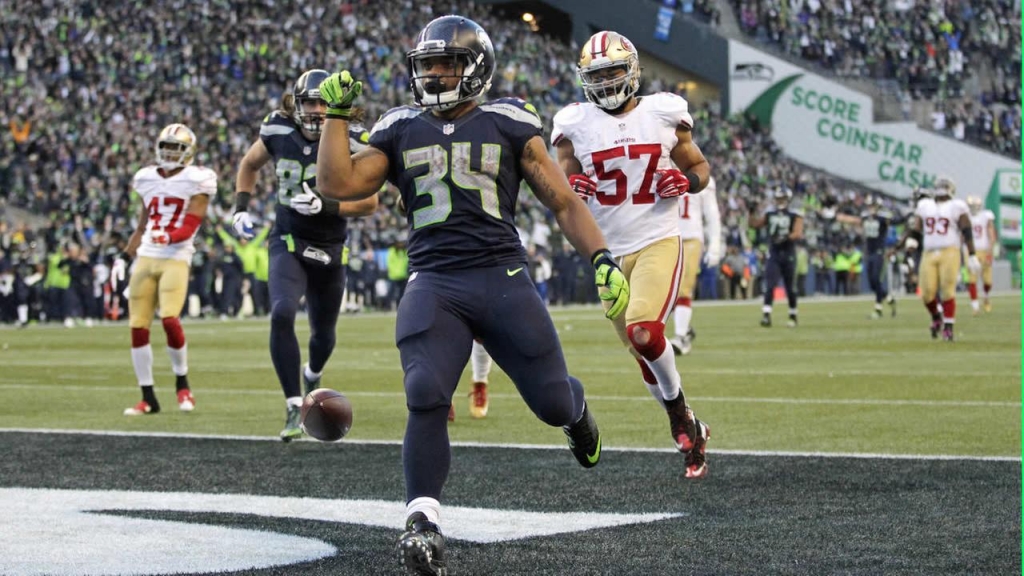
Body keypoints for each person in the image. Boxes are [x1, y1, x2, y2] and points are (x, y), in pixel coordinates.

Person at [315, 15, 630, 576]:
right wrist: (334, 119)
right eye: (427, 65)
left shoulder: (509, 120)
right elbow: (338, 185)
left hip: (501, 277)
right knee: (425, 391)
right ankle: (422, 522)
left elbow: (561, 201)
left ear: (477, 67)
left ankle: (576, 413)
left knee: (552, 402)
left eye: (448, 64)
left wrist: (601, 257)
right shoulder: (397, 125)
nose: (435, 75)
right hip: (434, 279)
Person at [552, 30, 711, 480]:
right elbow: (562, 184)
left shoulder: (663, 113)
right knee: (642, 354)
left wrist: (686, 183)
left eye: (613, 72)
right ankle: (693, 427)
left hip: (658, 237)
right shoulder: (575, 123)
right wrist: (572, 187)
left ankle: (678, 412)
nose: (605, 82)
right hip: (607, 252)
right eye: (596, 75)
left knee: (645, 331)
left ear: (632, 70)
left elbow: (698, 168)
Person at [232, 69, 379, 441]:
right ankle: (294, 402)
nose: (315, 110)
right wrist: (241, 208)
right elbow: (249, 165)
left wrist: (326, 206)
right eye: (309, 102)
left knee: (323, 336)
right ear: (295, 105)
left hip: (331, 247)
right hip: (289, 240)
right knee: (281, 312)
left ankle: (312, 374)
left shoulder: (352, 137)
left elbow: (370, 202)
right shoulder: (278, 129)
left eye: (322, 102)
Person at [116, 123, 213, 416]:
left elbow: (191, 224)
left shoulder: (199, 179)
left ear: (188, 152)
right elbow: (143, 224)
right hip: (146, 256)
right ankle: (147, 397)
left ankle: (183, 385)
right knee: (137, 326)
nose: (170, 153)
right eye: (166, 147)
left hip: (175, 256)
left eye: (176, 148)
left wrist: (169, 238)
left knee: (170, 319)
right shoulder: (146, 178)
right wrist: (123, 256)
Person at [900, 176, 980, 341]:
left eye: (945, 185)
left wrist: (972, 255)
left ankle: (949, 328)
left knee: (947, 289)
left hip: (950, 250)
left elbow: (967, 231)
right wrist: (908, 254)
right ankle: (937, 316)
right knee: (927, 293)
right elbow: (916, 231)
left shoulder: (957, 206)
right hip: (929, 252)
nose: (942, 188)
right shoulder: (925, 206)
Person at [669, 175, 722, 355]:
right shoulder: (658, 168)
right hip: (663, 238)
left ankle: (681, 337)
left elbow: (712, 214)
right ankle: (685, 329)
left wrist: (714, 245)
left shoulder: (701, 176)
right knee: (663, 291)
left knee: (684, 289)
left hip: (690, 237)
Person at [837, 195, 900, 318]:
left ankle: (878, 309)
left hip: (879, 251)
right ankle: (889, 298)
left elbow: (895, 221)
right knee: (872, 283)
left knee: (876, 279)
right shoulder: (866, 217)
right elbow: (856, 221)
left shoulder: (882, 218)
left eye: (873, 206)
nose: (871, 208)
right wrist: (843, 218)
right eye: (869, 205)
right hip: (869, 252)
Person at [749, 187, 804, 327]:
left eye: (783, 198)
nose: (780, 201)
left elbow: (798, 232)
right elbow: (754, 224)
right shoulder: (770, 214)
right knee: (770, 284)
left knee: (790, 286)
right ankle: (766, 315)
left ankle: (793, 314)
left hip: (788, 252)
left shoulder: (794, 214)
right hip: (774, 252)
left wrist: (786, 238)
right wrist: (750, 211)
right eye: (778, 198)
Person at [965, 195, 998, 314]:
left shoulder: (985, 216)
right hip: (970, 250)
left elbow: (991, 233)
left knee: (988, 281)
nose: (973, 208)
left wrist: (990, 251)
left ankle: (986, 296)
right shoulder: (965, 217)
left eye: (975, 206)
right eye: (971, 206)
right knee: (972, 279)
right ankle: (975, 306)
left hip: (984, 249)